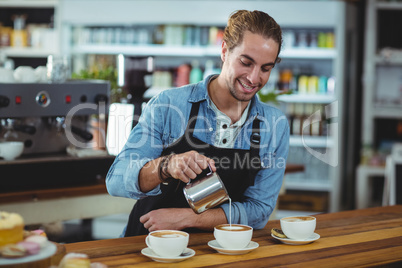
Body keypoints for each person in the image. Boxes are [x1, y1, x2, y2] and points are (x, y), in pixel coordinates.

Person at [106, 9, 289, 236]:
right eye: (246, 62)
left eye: (265, 68)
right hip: (150, 242)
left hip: (217, 248)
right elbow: (116, 180)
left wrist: (187, 218)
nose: (254, 78)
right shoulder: (169, 105)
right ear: (224, 50)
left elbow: (259, 210)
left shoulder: (274, 125)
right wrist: (166, 166)